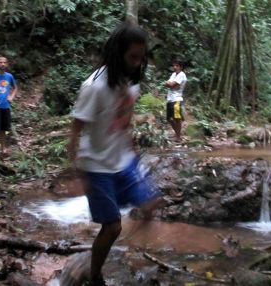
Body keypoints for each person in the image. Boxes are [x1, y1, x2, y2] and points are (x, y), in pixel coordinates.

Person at [68, 23, 163, 286]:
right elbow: (76, 128)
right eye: (133, 57)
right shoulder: (94, 86)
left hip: (123, 160)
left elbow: (125, 120)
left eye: (141, 57)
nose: (137, 63)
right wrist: (77, 170)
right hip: (96, 164)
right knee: (112, 227)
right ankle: (95, 276)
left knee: (151, 205)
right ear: (117, 52)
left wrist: (133, 154)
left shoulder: (132, 83)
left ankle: (129, 252)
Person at [165, 60, 187, 142]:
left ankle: (178, 137)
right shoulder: (174, 74)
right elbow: (168, 84)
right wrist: (169, 84)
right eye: (174, 65)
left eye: (177, 66)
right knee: (169, 118)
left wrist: (169, 83)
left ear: (181, 67)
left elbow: (171, 84)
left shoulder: (182, 75)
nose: (175, 67)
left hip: (177, 99)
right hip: (170, 99)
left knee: (177, 118)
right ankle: (177, 134)